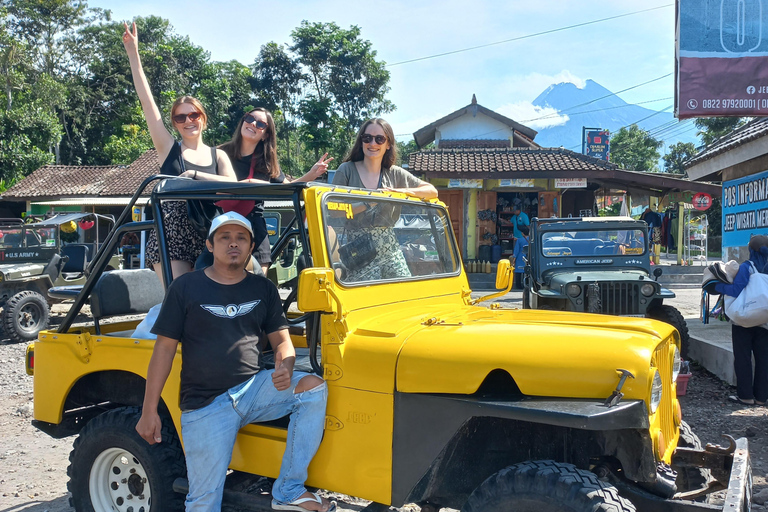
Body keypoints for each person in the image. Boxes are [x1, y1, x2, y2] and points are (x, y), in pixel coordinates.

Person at [135, 211, 333, 512]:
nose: (233, 244)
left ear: (251, 247)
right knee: (204, 502)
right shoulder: (185, 287)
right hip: (205, 405)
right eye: (224, 237)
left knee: (313, 388)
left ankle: (288, 490)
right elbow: (163, 350)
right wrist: (149, 411)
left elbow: (282, 341)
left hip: (254, 390)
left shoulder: (262, 288)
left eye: (241, 238)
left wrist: (286, 364)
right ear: (210, 246)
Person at [122, 22, 237, 283]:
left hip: (210, 233)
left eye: (194, 115)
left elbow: (233, 187)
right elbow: (147, 105)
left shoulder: (218, 156)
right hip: (172, 235)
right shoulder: (170, 150)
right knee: (182, 297)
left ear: (203, 119)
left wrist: (196, 175)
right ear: (174, 122)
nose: (188, 120)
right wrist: (133, 53)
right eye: (180, 117)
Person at [218, 108, 333, 274]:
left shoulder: (266, 162)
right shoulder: (220, 153)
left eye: (260, 124)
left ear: (265, 134)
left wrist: (311, 174)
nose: (252, 124)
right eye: (249, 118)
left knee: (258, 276)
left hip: (252, 223)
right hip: (219, 221)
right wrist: (247, 184)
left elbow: (287, 188)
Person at [331, 118, 437, 281]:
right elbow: (334, 210)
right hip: (358, 251)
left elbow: (431, 191)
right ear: (361, 141)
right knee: (367, 298)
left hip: (390, 248)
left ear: (388, 144)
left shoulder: (395, 173)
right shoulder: (346, 170)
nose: (373, 143)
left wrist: (398, 191)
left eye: (379, 139)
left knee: (402, 293)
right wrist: (368, 202)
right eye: (367, 138)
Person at [705, 235, 768, 406]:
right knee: (764, 358)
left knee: (743, 358)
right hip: (765, 321)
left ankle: (746, 396)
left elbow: (736, 290)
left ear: (751, 250)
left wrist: (716, 286)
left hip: (743, 321)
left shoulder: (748, 267)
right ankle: (762, 398)